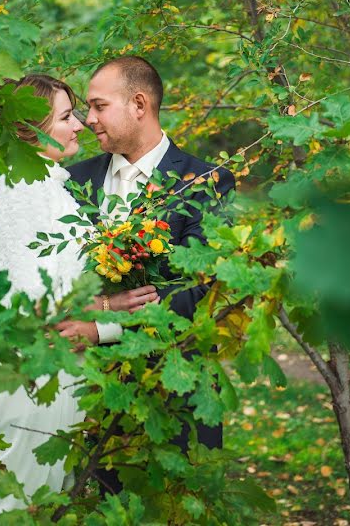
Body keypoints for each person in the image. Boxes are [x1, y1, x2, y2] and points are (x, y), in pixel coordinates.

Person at [0, 74, 159, 525]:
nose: (80, 124)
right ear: (31, 131)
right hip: (26, 377)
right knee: (5, 509)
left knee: (34, 508)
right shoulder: (23, 189)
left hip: (47, 372)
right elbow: (32, 299)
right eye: (65, 117)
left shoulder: (49, 184)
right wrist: (108, 306)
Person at [67, 56, 236, 493]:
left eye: (99, 106)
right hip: (83, 396)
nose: (88, 120)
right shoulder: (71, 181)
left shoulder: (206, 182)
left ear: (139, 104)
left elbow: (199, 290)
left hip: (172, 390)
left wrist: (101, 327)